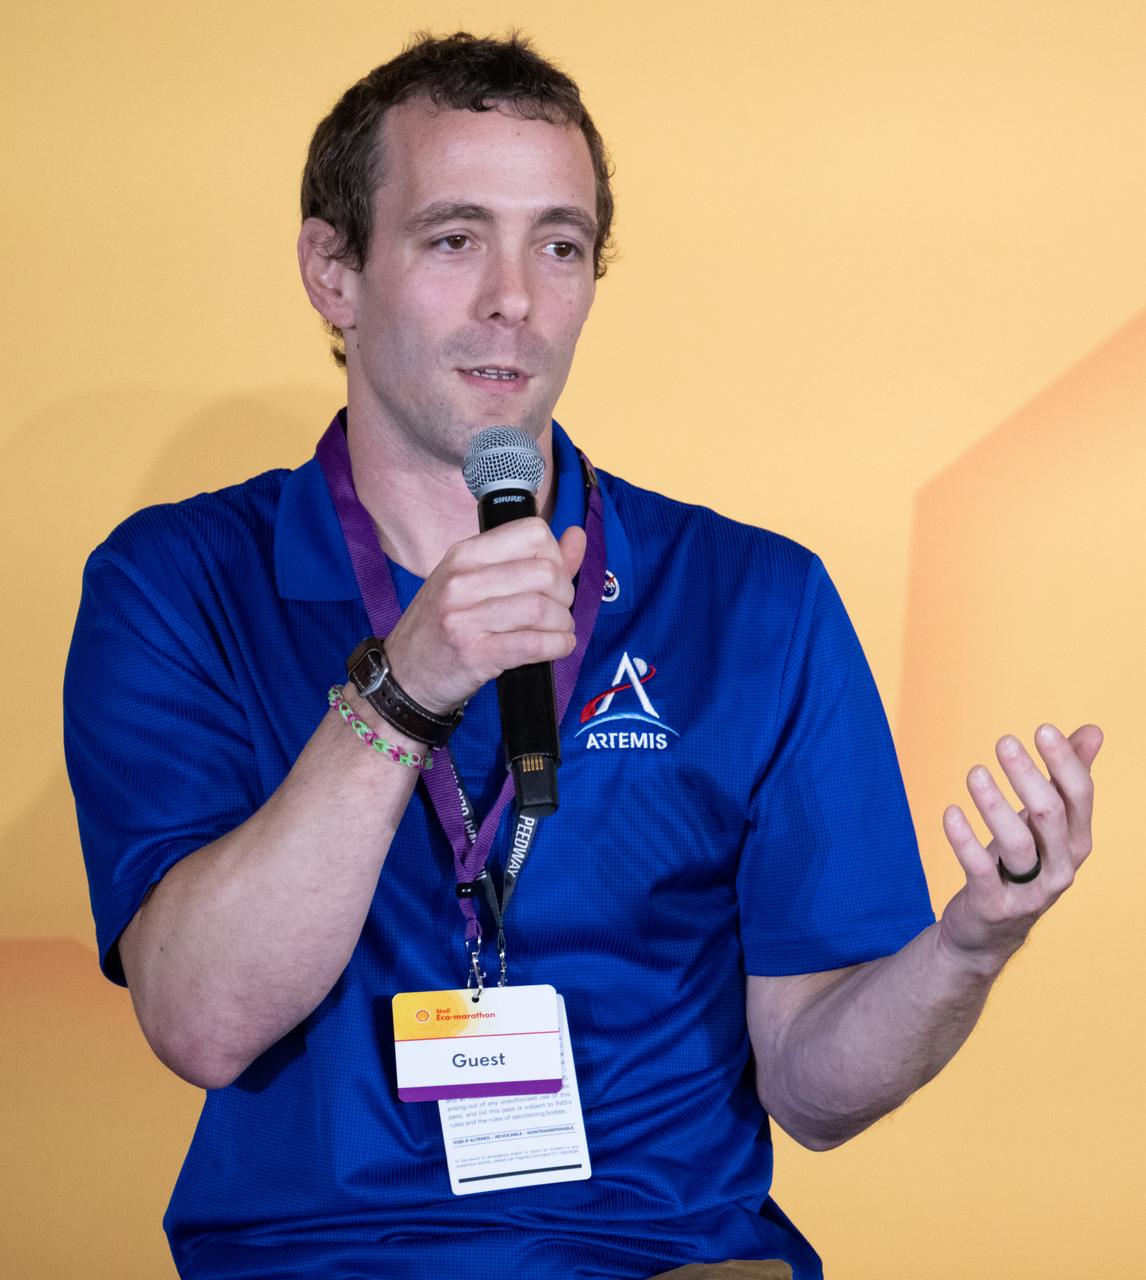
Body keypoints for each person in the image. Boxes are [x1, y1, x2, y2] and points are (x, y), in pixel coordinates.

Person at [63, 31, 1102, 1280]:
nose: (515, 297)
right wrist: (403, 688)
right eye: (455, 238)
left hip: (670, 1261)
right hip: (324, 1260)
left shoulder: (754, 598)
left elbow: (814, 1089)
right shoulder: (173, 581)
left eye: (559, 244)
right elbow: (201, 1020)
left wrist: (969, 949)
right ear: (334, 270)